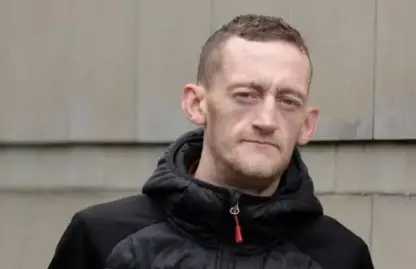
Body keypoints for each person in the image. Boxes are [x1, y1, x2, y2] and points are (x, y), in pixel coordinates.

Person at [48, 14, 374, 269]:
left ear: (307, 125)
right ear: (196, 104)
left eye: (288, 100)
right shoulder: (103, 239)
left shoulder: (342, 257)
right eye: (246, 95)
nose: (267, 120)